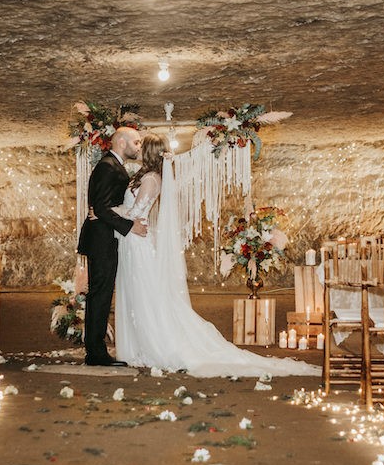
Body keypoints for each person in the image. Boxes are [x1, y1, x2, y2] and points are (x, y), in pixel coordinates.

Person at [109, 133, 319, 378]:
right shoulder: (142, 176)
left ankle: (153, 346)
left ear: (150, 152)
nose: (138, 149)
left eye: (141, 146)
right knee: (136, 295)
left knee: (145, 296)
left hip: (139, 244)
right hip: (131, 241)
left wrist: (108, 210)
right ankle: (137, 346)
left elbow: (136, 212)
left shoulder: (152, 179)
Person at [76, 126, 147, 366]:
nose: (139, 146)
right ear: (122, 142)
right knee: (100, 295)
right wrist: (130, 227)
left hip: (105, 236)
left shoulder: (113, 166)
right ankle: (96, 353)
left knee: (102, 294)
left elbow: (104, 208)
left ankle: (95, 350)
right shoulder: (108, 167)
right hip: (101, 239)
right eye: (136, 142)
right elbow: (102, 207)